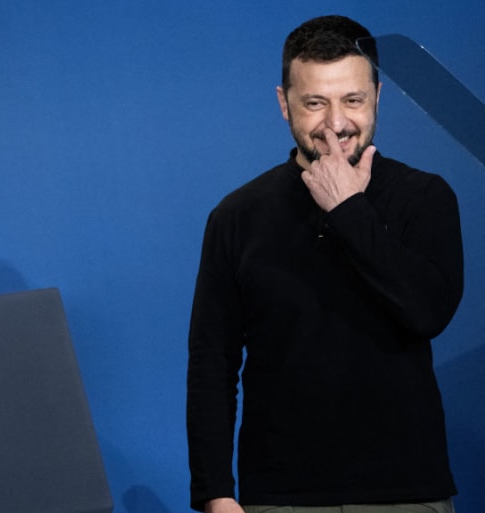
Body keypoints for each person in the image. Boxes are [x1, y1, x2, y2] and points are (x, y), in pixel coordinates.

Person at [186, 15, 462, 513]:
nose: (336, 123)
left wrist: (349, 211)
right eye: (315, 103)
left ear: (377, 96)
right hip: (280, 496)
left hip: (405, 493)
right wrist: (214, 492)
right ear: (283, 103)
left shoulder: (425, 198)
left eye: (352, 100)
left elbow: (427, 313)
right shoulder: (237, 215)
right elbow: (212, 361)